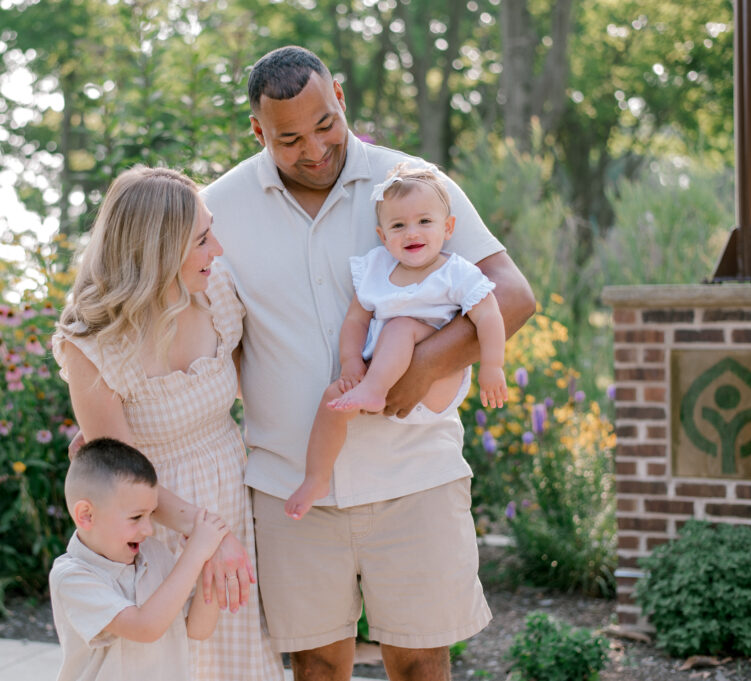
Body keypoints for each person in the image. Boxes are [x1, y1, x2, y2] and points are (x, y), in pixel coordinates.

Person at [200, 46, 536, 681]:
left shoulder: (411, 184)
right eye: (289, 138)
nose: (315, 148)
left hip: (414, 475)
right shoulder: (220, 208)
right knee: (319, 666)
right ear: (256, 131)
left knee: (419, 663)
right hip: (289, 483)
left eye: (326, 123)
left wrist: (420, 367)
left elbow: (513, 295)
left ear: (341, 99)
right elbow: (192, 323)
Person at [52, 167, 284, 681]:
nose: (218, 250)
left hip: (231, 495)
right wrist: (207, 535)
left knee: (239, 656)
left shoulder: (216, 291)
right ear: (158, 252)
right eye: (202, 240)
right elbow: (120, 473)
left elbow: (258, 386)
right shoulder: (91, 341)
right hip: (152, 523)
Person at [284, 162, 508, 520]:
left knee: (402, 325)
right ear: (383, 235)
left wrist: (493, 367)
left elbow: (490, 315)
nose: (411, 232)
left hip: (437, 379)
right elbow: (356, 319)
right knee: (331, 399)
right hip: (384, 373)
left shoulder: (455, 271)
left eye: (424, 222)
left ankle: (372, 390)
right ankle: (317, 478)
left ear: (447, 227)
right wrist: (351, 363)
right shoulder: (376, 268)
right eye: (398, 225)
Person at [49, 437, 227, 681]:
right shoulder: (71, 577)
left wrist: (209, 564)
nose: (148, 529)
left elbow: (198, 629)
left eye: (150, 515)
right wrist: (194, 554)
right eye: (136, 517)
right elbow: (145, 628)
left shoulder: (154, 553)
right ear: (86, 515)